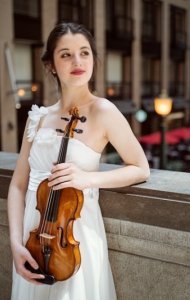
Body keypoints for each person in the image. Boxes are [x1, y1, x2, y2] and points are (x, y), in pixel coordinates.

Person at [7, 22, 150, 300]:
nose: (77, 61)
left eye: (85, 53)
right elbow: (18, 185)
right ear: (50, 64)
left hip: (75, 237)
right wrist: (15, 243)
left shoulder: (104, 111)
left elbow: (140, 168)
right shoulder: (38, 117)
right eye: (66, 54)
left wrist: (88, 179)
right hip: (33, 237)